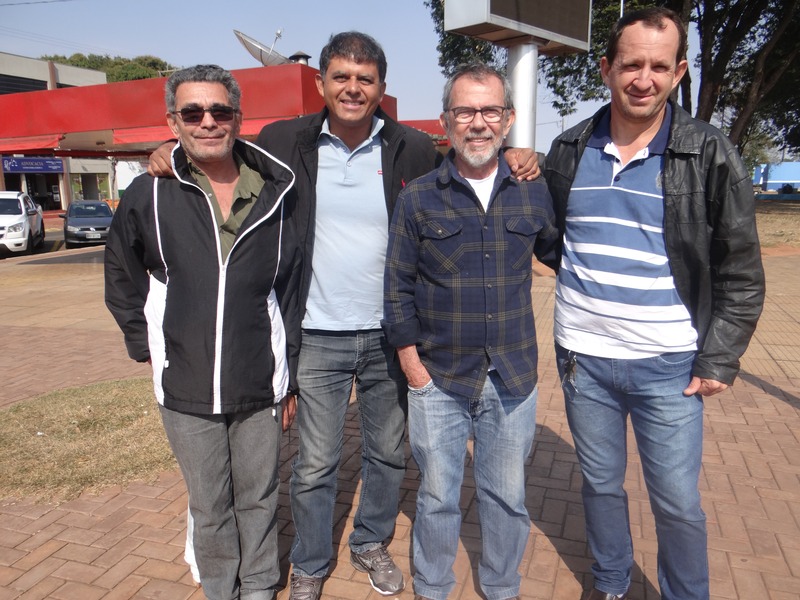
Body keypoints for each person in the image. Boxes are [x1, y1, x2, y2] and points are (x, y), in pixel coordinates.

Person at [148, 32, 540, 600]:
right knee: (314, 462)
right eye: (341, 77)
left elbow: (467, 163)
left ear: (381, 87)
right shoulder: (285, 140)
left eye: (366, 79)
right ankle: (310, 560)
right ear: (321, 83)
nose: (353, 89)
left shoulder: (407, 146)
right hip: (316, 330)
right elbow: (219, 151)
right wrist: (167, 149)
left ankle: (370, 542)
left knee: (385, 452)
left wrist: (519, 154)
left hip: (392, 333)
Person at [543, 8, 765, 600]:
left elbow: (742, 271)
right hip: (582, 360)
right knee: (600, 485)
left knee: (677, 504)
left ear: (679, 70)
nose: (644, 77)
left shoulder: (709, 152)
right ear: (607, 68)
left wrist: (718, 359)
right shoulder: (568, 149)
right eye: (631, 63)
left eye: (658, 65)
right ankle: (611, 583)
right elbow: (551, 241)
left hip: (669, 365)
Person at [105, 64, 301, 600]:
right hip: (185, 382)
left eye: (220, 111)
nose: (208, 121)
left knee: (259, 495)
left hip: (258, 378)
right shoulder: (150, 192)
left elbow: (291, 288)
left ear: (238, 118)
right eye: (193, 112)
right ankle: (222, 588)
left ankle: (259, 586)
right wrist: (143, 344)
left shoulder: (278, 193)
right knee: (209, 502)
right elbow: (120, 268)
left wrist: (292, 377)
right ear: (174, 121)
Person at [383, 63, 560, 600]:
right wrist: (415, 372)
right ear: (446, 120)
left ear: (507, 120)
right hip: (438, 377)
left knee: (506, 497)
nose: (477, 123)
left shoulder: (533, 191)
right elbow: (397, 290)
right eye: (465, 111)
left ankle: (501, 586)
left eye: (489, 111)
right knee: (437, 497)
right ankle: (433, 587)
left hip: (512, 375)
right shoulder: (418, 197)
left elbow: (564, 258)